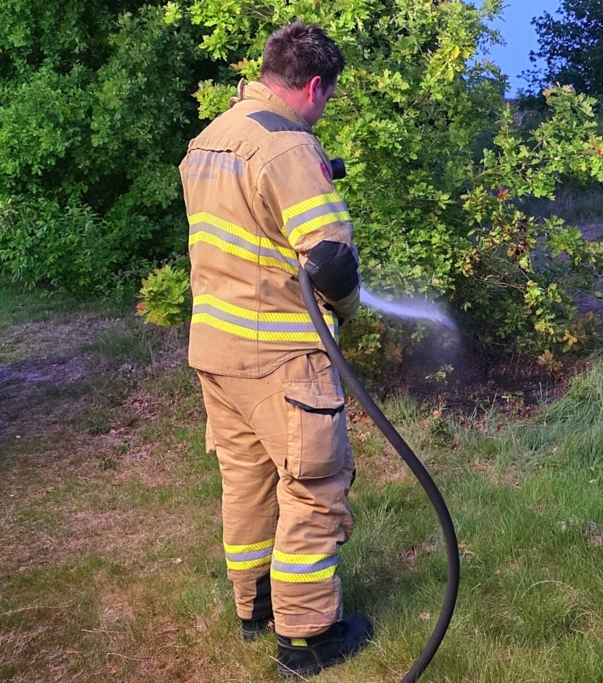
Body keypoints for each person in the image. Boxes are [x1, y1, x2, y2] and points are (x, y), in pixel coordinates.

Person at [178, 22, 370, 679]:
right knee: (314, 490)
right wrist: (351, 308)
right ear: (315, 85)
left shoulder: (211, 138)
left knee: (248, 483)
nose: (323, 111)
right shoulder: (288, 142)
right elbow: (329, 259)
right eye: (328, 98)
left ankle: (255, 608)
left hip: (216, 349)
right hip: (281, 357)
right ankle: (309, 635)